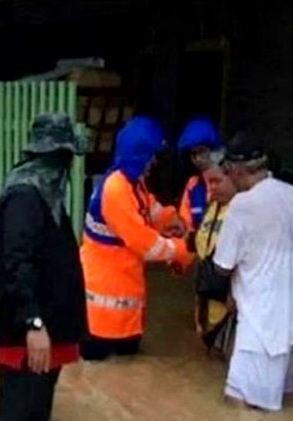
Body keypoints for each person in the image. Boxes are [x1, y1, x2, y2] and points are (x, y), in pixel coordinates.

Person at [0, 113, 86, 421]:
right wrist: (34, 322)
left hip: (46, 325)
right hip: (29, 330)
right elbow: (17, 263)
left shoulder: (44, 193)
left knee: (35, 420)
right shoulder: (25, 197)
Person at [214, 133, 293, 411]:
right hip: (292, 325)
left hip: (258, 327)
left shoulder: (242, 205)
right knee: (276, 407)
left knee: (238, 409)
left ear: (237, 170)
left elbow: (221, 266)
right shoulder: (292, 195)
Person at [79, 116, 192, 361]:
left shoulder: (130, 183)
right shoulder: (116, 189)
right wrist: (183, 249)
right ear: (138, 154)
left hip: (123, 304)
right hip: (101, 311)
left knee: (126, 360)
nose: (153, 162)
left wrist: (172, 220)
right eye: (150, 155)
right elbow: (146, 245)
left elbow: (148, 209)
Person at [190, 160, 238, 354]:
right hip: (206, 302)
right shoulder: (212, 207)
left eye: (217, 181)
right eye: (209, 182)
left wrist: (233, 296)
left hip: (229, 306)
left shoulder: (243, 211)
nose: (212, 187)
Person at [177, 117, 223, 232]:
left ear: (213, 150)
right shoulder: (192, 185)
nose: (197, 158)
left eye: (202, 151)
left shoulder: (229, 180)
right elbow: (185, 223)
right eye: (194, 154)